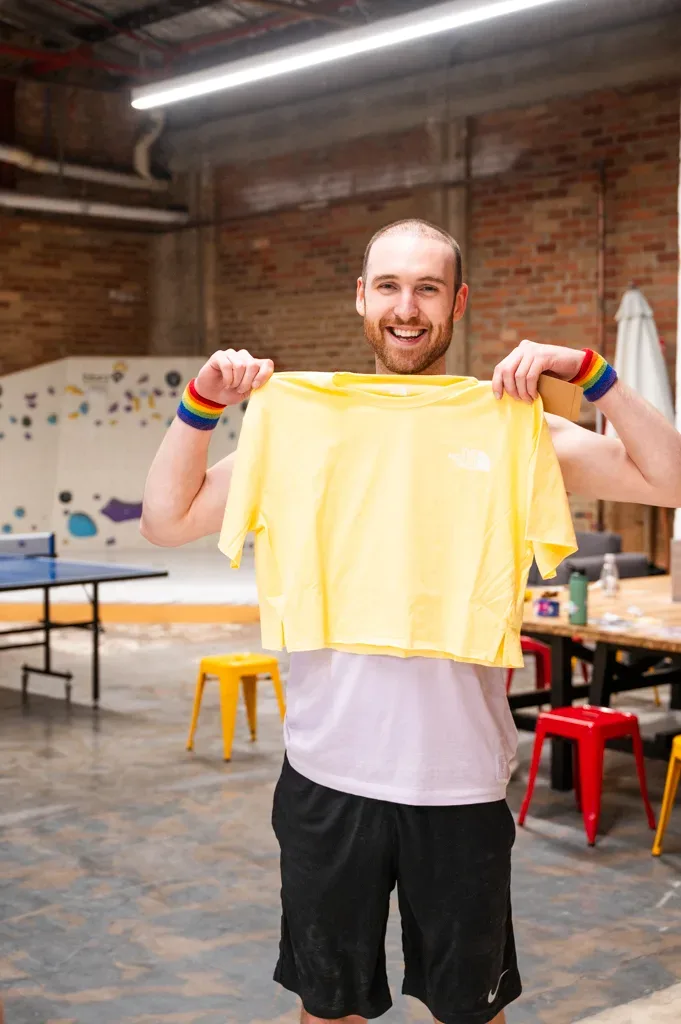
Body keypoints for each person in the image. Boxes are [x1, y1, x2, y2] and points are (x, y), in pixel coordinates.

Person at [141, 219, 681, 1024]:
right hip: (327, 775)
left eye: (427, 288)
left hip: (458, 783)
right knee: (329, 1011)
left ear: (456, 303)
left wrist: (591, 373)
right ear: (361, 297)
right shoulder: (299, 422)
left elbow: (670, 480)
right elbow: (165, 519)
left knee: (470, 1012)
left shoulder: (509, 422)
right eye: (389, 286)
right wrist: (200, 405)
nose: (405, 307)